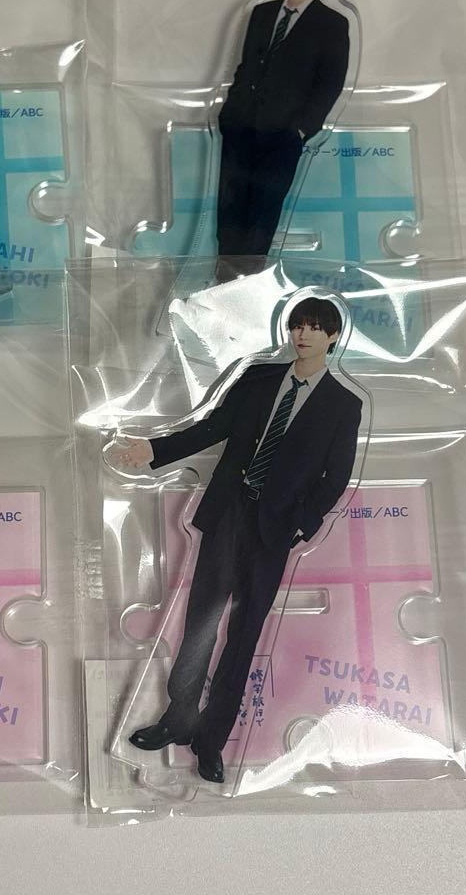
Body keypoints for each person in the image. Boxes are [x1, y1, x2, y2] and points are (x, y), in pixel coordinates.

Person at [114, 297, 362, 782]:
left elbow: (336, 477)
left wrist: (301, 524)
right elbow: (213, 428)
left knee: (244, 635)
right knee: (201, 622)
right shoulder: (258, 378)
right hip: (229, 513)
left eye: (315, 327)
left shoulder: (342, 404)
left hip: (274, 529)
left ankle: (211, 741)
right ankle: (177, 719)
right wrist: (153, 449)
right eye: (298, 325)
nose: (303, 335)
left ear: (333, 336)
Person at [216, 0, 350, 279]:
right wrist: (230, 112)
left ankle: (247, 282)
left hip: (284, 132)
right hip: (241, 125)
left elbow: (330, 82)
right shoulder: (262, 13)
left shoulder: (332, 23)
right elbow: (246, 66)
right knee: (230, 203)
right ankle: (222, 278)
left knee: (264, 207)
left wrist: (302, 128)